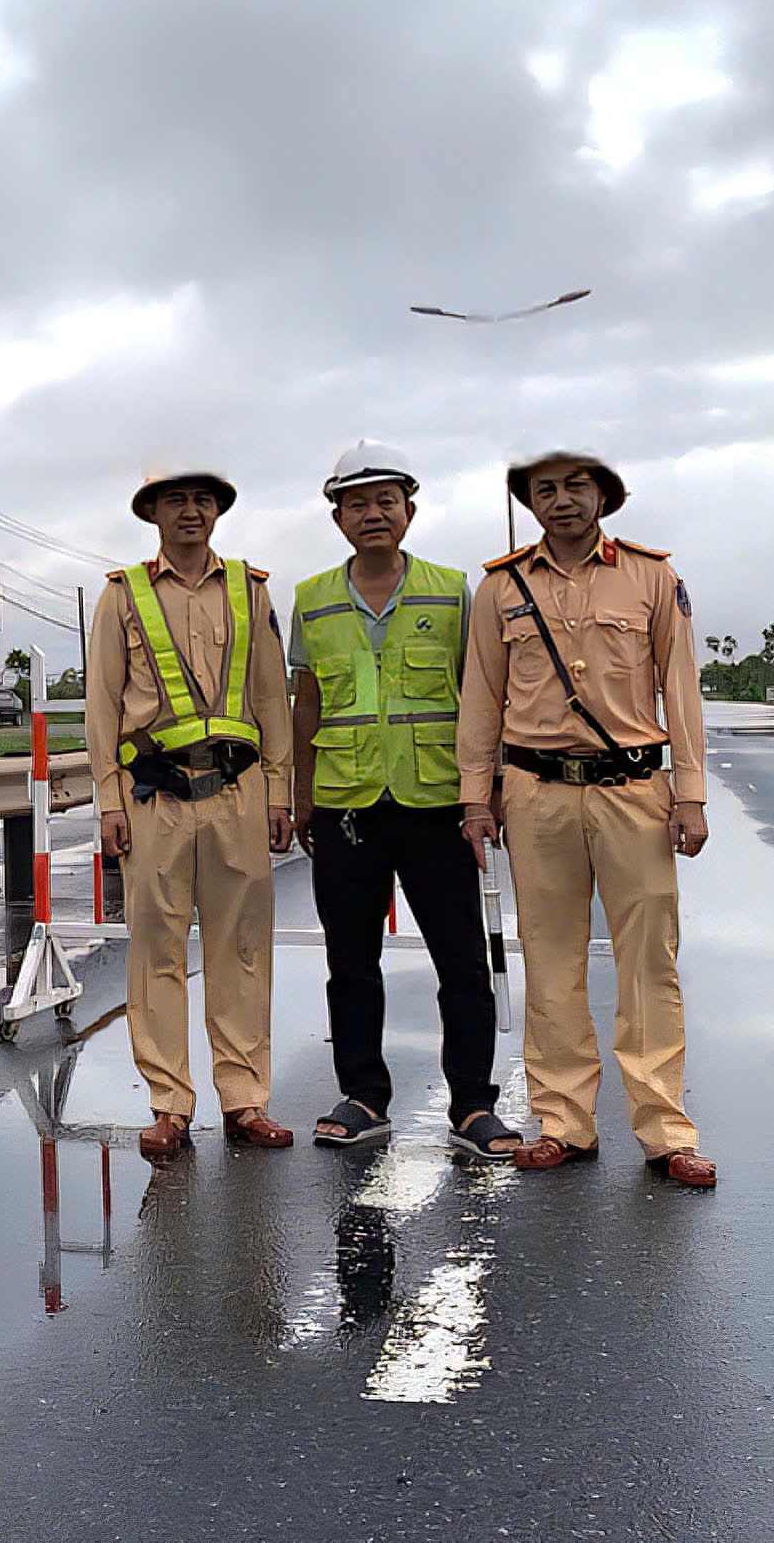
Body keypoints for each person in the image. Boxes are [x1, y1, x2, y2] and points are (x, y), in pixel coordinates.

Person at [455, 451, 718, 1188]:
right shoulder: (500, 587)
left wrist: (689, 793)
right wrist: (477, 797)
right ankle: (563, 1121)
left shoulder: (653, 577)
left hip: (633, 788)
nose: (562, 500)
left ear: (604, 494)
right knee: (550, 959)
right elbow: (482, 695)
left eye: (576, 486)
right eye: (546, 490)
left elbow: (680, 686)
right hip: (536, 792)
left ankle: (665, 1128)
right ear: (529, 501)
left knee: (648, 961)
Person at [287, 441, 519, 1160]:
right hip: (346, 803)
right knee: (350, 961)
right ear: (338, 518)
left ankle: (473, 1105)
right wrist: (299, 796)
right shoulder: (311, 598)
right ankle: (363, 1096)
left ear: (410, 511)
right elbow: (309, 701)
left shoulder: (452, 591)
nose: (373, 514)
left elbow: (481, 696)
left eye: (386, 500)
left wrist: (486, 791)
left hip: (436, 804)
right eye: (357, 503)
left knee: (461, 961)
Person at [87, 464, 296, 1162]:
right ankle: (168, 1103)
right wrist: (109, 799)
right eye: (174, 500)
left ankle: (245, 1099)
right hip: (155, 800)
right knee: (156, 953)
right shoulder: (122, 597)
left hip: (237, 794)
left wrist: (278, 791)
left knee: (241, 949)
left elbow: (272, 698)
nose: (189, 511)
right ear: (151, 512)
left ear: (217, 511)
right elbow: (102, 706)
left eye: (201, 499)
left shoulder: (251, 589)